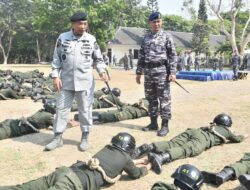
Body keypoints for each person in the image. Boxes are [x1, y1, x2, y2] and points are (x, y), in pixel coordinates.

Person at [45, 12, 108, 152]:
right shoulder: (63, 37)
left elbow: (98, 59)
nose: (83, 27)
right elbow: (56, 59)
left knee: (85, 110)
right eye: (80, 24)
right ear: (73, 24)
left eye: (85, 24)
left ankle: (85, 136)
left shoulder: (91, 39)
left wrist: (102, 71)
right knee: (61, 109)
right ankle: (57, 137)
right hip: (65, 82)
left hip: (85, 82)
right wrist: (55, 76)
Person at [0, 132, 151, 190]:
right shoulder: (125, 159)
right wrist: (148, 166)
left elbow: (118, 164)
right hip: (73, 184)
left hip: (65, 172)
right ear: (128, 148)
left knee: (21, 188)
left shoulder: (107, 149)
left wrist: (138, 161)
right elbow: (135, 174)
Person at [133, 113, 247, 174]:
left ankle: (149, 147)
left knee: (172, 143)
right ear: (227, 124)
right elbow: (237, 139)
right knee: (185, 150)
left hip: (194, 131)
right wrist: (244, 136)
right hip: (203, 138)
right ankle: (161, 158)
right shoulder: (226, 131)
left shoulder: (210, 125)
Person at [135, 12, 177, 137]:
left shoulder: (167, 36)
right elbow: (141, 56)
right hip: (148, 72)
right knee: (151, 99)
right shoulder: (146, 38)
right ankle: (153, 123)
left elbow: (173, 55)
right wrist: (138, 72)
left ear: (161, 22)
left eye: (158, 21)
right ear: (150, 23)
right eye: (154, 22)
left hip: (161, 72)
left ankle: (165, 126)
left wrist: (173, 72)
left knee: (164, 100)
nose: (156, 24)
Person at [77, 98, 149, 124]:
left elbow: (152, 114)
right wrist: (137, 103)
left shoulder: (157, 105)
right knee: (107, 112)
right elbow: (137, 103)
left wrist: (144, 107)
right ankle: (83, 115)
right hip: (128, 108)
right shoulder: (146, 98)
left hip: (132, 113)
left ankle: (83, 118)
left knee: (110, 116)